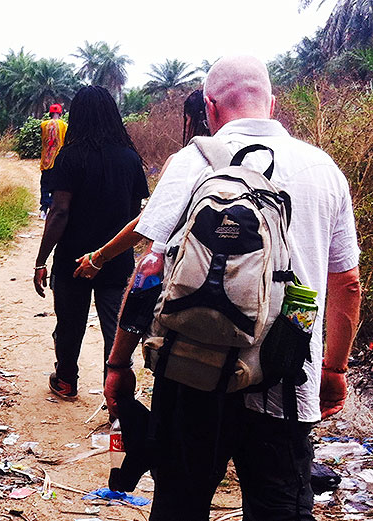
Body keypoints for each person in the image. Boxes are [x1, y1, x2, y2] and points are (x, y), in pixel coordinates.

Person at [103, 56, 361, 520]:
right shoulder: (325, 171)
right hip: (286, 379)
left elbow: (150, 270)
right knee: (280, 507)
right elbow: (347, 283)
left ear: (210, 106)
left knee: (180, 505)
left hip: (192, 374)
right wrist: (335, 369)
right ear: (273, 104)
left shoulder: (191, 162)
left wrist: (118, 362)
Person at [32, 86, 149, 399]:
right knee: (116, 331)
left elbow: (58, 213)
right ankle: (116, 396)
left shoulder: (69, 157)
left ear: (77, 116)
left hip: (72, 259)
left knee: (70, 325)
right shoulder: (129, 159)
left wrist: (41, 260)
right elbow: (134, 214)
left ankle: (66, 381)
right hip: (116, 258)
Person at [73, 89, 209, 279]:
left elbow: (146, 223)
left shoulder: (185, 160)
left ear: (190, 118)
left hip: (185, 272)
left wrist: (98, 258)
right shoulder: (258, 155)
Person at [38, 103, 67, 219]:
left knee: (45, 184)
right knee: (56, 186)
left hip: (46, 160)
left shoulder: (43, 125)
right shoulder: (64, 125)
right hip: (59, 161)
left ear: (50, 113)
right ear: (60, 113)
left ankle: (44, 208)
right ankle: (53, 209)